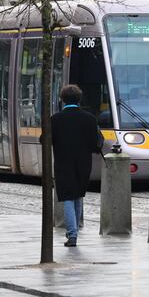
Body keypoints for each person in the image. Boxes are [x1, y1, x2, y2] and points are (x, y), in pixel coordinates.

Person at [52, 85, 102, 247]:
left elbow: (44, 140)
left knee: (67, 197)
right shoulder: (89, 118)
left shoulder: (56, 119)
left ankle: (72, 235)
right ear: (79, 99)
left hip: (63, 163)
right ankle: (75, 232)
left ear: (62, 99)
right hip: (83, 163)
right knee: (78, 195)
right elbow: (96, 143)